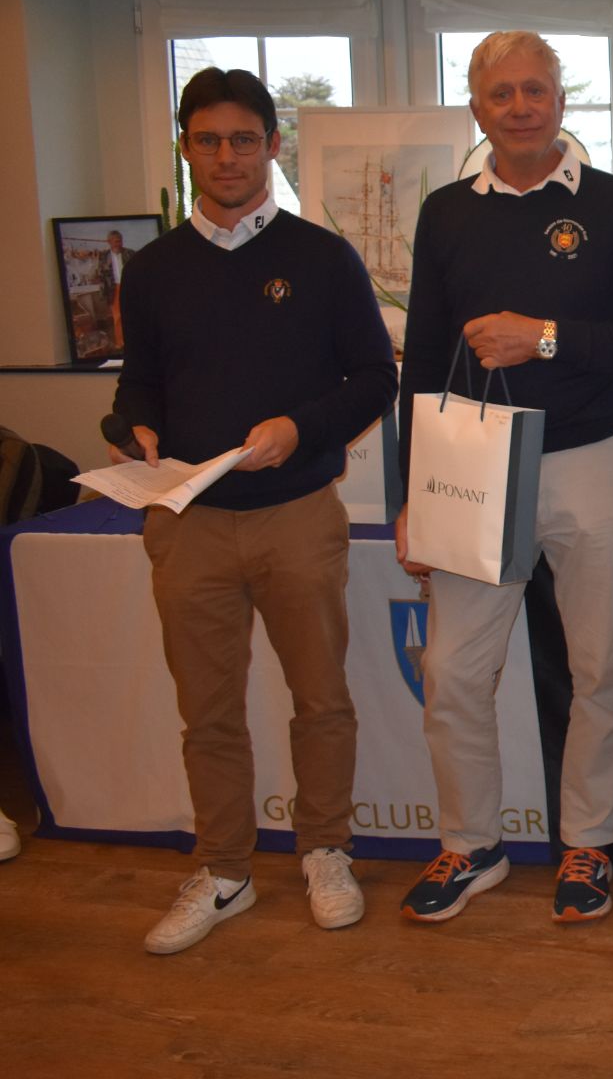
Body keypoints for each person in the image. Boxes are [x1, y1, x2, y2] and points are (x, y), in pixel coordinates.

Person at [113, 66, 397, 954]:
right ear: (185, 149)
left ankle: (325, 849)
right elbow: (137, 386)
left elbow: (374, 378)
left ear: (273, 146)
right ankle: (224, 869)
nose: (226, 156)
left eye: (243, 139)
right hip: (187, 521)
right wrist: (132, 429)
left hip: (296, 514)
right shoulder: (152, 269)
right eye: (207, 140)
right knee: (208, 711)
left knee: (321, 700)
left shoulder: (321, 257)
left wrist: (300, 428)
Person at [395, 31, 613, 925]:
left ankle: (588, 842)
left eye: (535, 90)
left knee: (600, 666)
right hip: (477, 468)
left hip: (593, 459)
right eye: (500, 94)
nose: (520, 108)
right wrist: (410, 496)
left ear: (562, 100)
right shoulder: (446, 213)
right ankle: (472, 844)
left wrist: (542, 337)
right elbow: (424, 359)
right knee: (454, 670)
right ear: (477, 107)